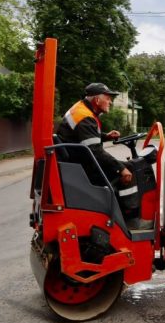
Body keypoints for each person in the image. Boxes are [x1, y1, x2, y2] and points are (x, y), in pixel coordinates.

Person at [56, 83, 146, 228]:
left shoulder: (80, 109)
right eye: (108, 98)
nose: (110, 102)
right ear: (97, 100)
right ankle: (131, 220)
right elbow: (94, 150)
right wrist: (120, 168)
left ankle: (122, 213)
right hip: (84, 166)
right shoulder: (86, 117)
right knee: (131, 169)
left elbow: (82, 137)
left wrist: (106, 136)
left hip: (77, 160)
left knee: (124, 167)